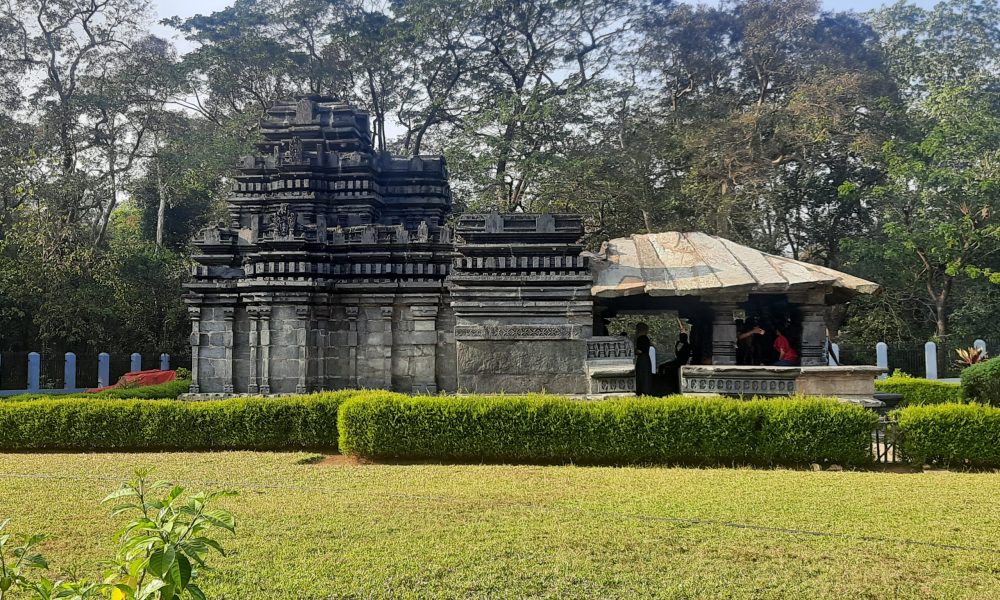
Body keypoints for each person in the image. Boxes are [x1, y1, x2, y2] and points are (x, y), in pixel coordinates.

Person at [633, 323, 653, 396]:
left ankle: (643, 392)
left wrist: (633, 351)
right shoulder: (645, 338)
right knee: (645, 376)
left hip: (642, 359)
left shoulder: (641, 338)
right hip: (645, 358)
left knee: (642, 376)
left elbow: (640, 351)